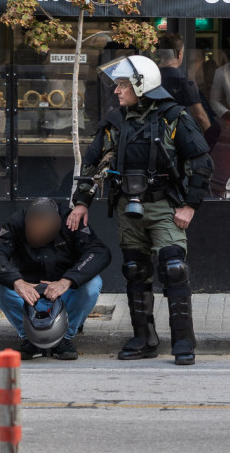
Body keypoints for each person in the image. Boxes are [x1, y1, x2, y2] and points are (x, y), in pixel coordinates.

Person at [68, 55, 213, 365]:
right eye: (117, 85)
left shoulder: (174, 117)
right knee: (135, 271)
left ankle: (183, 342)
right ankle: (144, 338)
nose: (117, 91)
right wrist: (81, 202)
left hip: (164, 207)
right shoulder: (114, 122)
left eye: (123, 85)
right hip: (126, 208)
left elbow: (202, 164)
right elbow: (93, 163)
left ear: (141, 85)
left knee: (174, 269)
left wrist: (190, 205)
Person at [0, 198, 110, 360]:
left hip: (63, 294)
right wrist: (17, 281)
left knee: (93, 284)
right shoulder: (16, 222)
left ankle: (64, 338)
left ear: (58, 224)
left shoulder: (71, 221)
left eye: (43, 234)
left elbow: (99, 252)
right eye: (33, 233)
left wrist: (67, 281)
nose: (37, 237)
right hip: (29, 295)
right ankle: (29, 338)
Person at [156, 32, 211, 134]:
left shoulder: (150, 75)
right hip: (178, 137)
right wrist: (212, 138)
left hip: (152, 135)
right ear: (179, 53)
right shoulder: (184, 80)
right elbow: (200, 116)